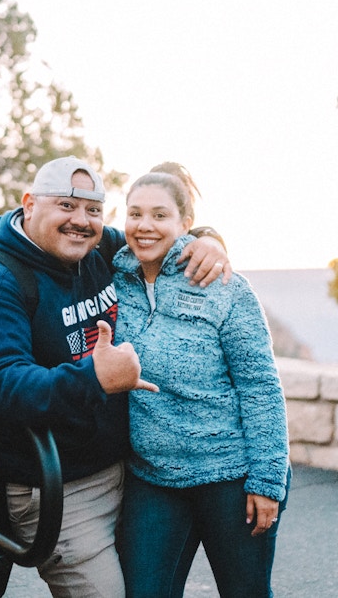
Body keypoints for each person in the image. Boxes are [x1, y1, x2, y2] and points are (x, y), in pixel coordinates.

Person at [0, 156, 230, 598]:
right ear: (29, 204)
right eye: (66, 205)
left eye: (93, 210)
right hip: (58, 489)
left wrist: (208, 239)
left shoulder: (101, 251)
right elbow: (4, 388)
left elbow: (159, 239)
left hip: (130, 473)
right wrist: (94, 377)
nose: (81, 221)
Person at [113, 170, 290, 598]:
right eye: (135, 213)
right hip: (153, 480)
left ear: (185, 222)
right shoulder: (113, 278)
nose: (145, 225)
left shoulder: (223, 286)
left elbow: (261, 386)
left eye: (160, 214)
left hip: (231, 477)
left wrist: (267, 482)